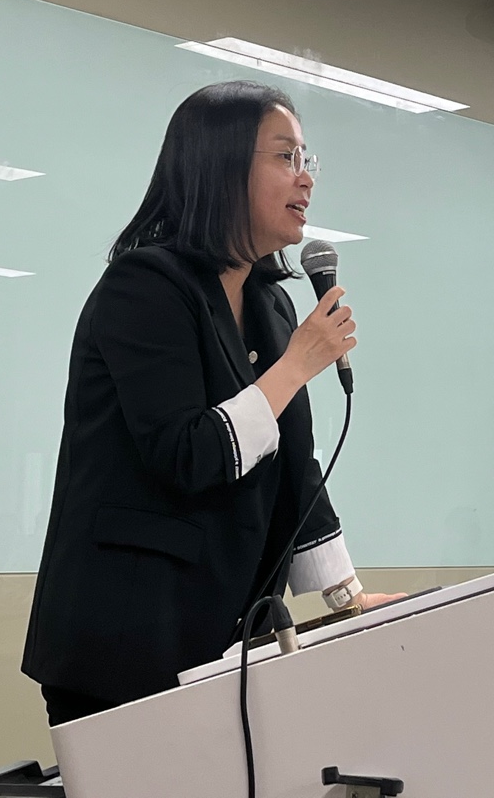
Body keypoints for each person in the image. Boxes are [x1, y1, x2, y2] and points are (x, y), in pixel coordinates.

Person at [22, 81, 400, 726]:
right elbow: (186, 453)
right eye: (285, 157)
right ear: (221, 166)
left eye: (307, 159)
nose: (306, 178)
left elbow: (295, 466)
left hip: (224, 640)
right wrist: (296, 366)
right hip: (125, 640)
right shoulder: (146, 285)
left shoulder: (271, 303)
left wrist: (347, 598)